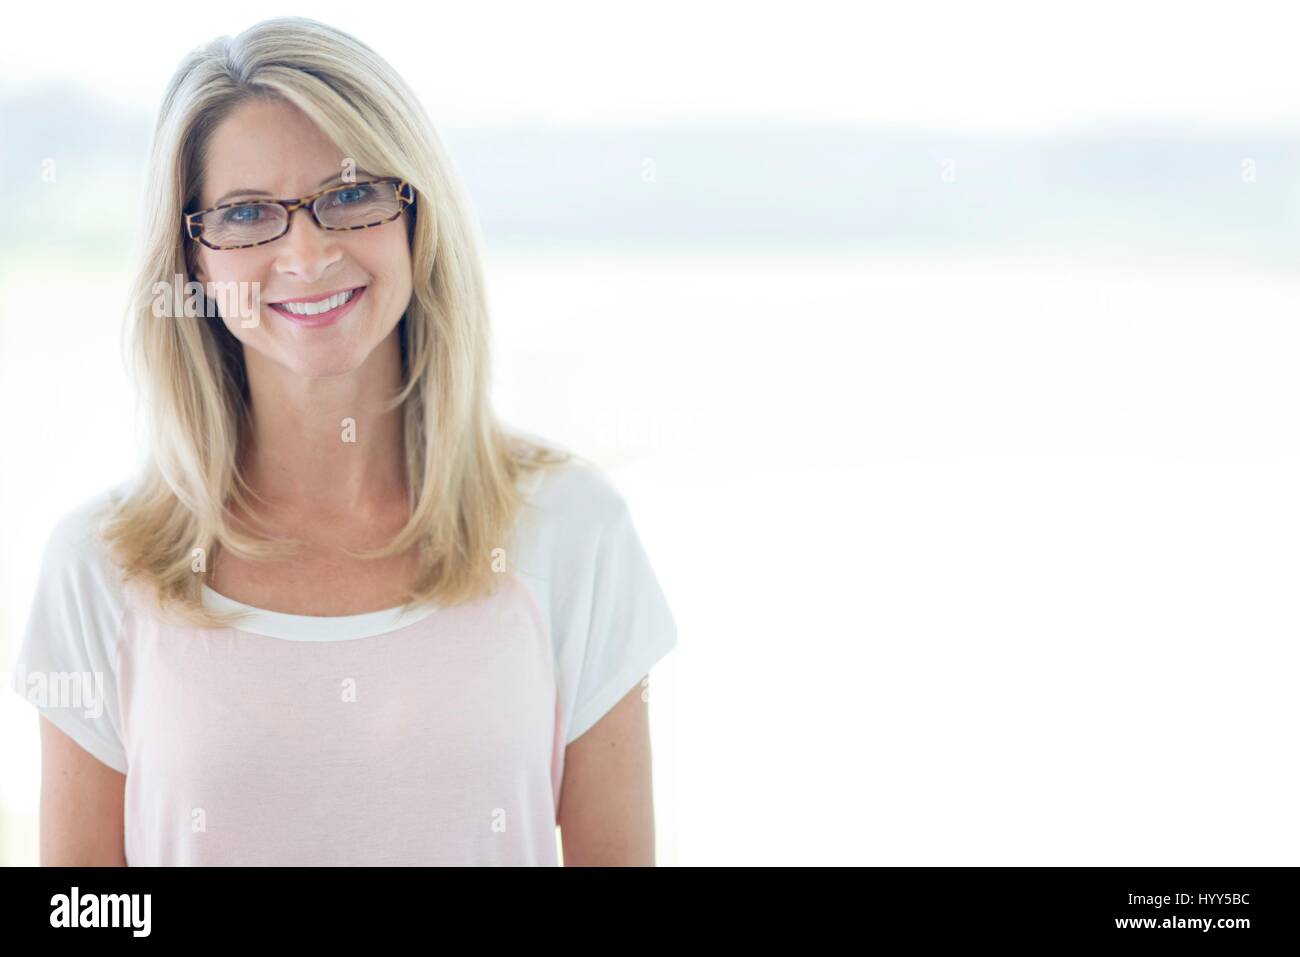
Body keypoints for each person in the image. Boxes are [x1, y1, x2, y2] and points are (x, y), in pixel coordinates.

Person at [9, 16, 677, 866]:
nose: (308, 251)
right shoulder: (98, 568)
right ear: (193, 260)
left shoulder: (574, 532)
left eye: (351, 194)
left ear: (414, 217)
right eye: (249, 213)